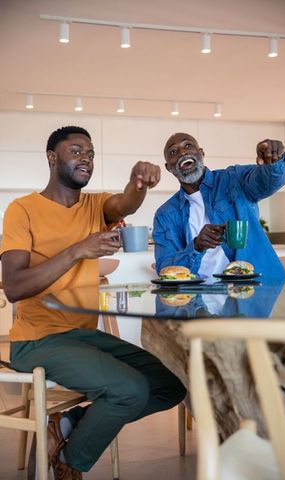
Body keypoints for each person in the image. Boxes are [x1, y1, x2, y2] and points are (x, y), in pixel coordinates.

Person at [0, 126, 186, 479]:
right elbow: (14, 287)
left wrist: (139, 184)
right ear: (52, 158)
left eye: (90, 154)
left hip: (83, 336)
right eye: (76, 151)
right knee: (130, 390)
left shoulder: (94, 204)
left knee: (170, 386)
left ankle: (67, 425)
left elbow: (124, 203)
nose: (86, 158)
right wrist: (77, 250)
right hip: (37, 340)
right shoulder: (21, 210)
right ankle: (69, 466)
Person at [153, 132, 285, 281]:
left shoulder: (234, 179)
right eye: (173, 152)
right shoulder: (165, 215)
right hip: (198, 299)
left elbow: (269, 181)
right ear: (168, 167)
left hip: (253, 293)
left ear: (201, 153)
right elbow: (165, 269)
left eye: (188, 145)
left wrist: (274, 161)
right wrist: (196, 246)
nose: (182, 152)